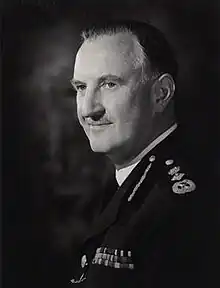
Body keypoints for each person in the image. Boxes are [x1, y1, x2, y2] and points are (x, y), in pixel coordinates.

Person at [69, 20, 208, 288]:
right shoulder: (128, 180)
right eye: (81, 87)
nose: (88, 109)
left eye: (109, 84)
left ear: (161, 94)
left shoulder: (182, 205)